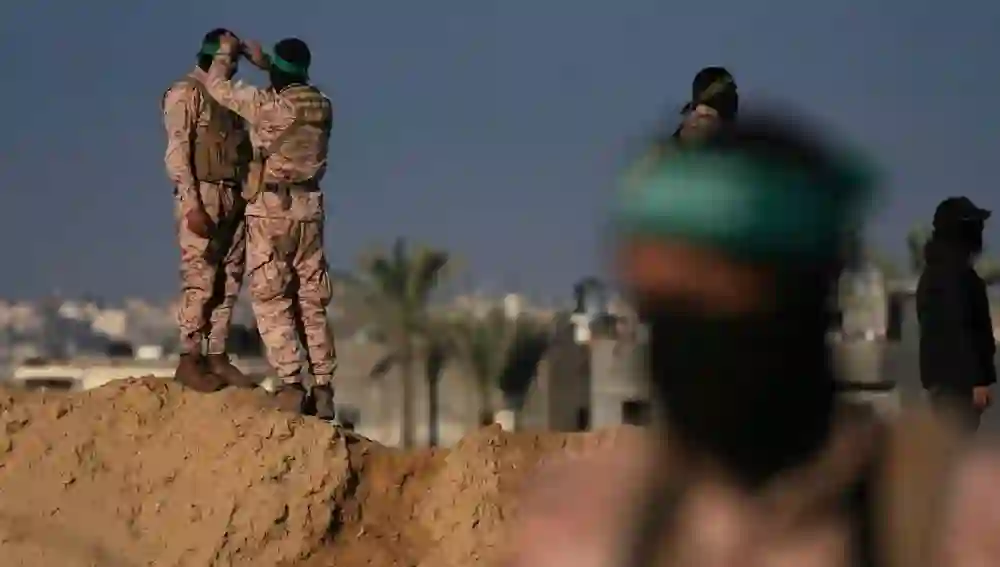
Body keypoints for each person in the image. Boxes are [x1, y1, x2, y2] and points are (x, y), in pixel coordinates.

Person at [505, 113, 1000, 567]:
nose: (679, 337)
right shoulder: (585, 525)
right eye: (658, 302)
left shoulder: (952, 516)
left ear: (808, 287)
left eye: (708, 295)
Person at [191, 32, 337, 419]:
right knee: (311, 300)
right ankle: (323, 386)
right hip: (309, 209)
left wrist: (227, 54)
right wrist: (268, 64)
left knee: (272, 298)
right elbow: (290, 85)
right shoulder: (323, 105)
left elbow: (218, 88)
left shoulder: (269, 107)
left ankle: (291, 384)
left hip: (271, 210)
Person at [162, 28, 257, 392]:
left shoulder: (231, 99)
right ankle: (190, 356)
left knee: (229, 280)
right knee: (200, 277)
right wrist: (192, 204)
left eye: (236, 59)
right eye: (226, 59)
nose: (232, 66)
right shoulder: (187, 93)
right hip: (204, 193)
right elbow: (178, 151)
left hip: (234, 194)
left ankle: (217, 353)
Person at [917, 196, 996, 432]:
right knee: (955, 444)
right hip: (956, 388)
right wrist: (976, 381)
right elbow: (958, 330)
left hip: (946, 385)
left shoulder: (937, 273)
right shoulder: (955, 276)